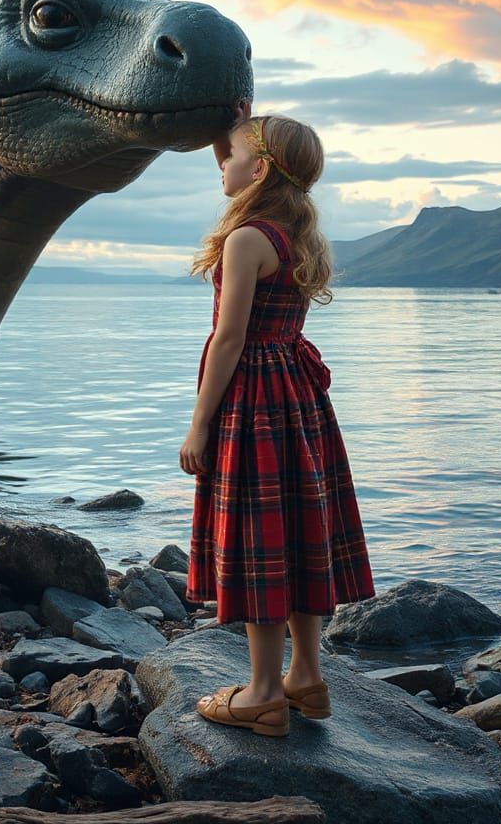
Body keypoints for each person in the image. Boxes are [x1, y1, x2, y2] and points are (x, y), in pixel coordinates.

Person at [180, 112, 376, 738]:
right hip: (298, 397)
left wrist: (199, 425)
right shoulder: (299, 236)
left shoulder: (244, 241)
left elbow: (228, 338)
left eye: (229, 155)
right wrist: (231, 123)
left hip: (254, 400)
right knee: (295, 533)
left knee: (257, 543)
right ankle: (306, 678)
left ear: (259, 169)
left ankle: (263, 692)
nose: (221, 163)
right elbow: (245, 152)